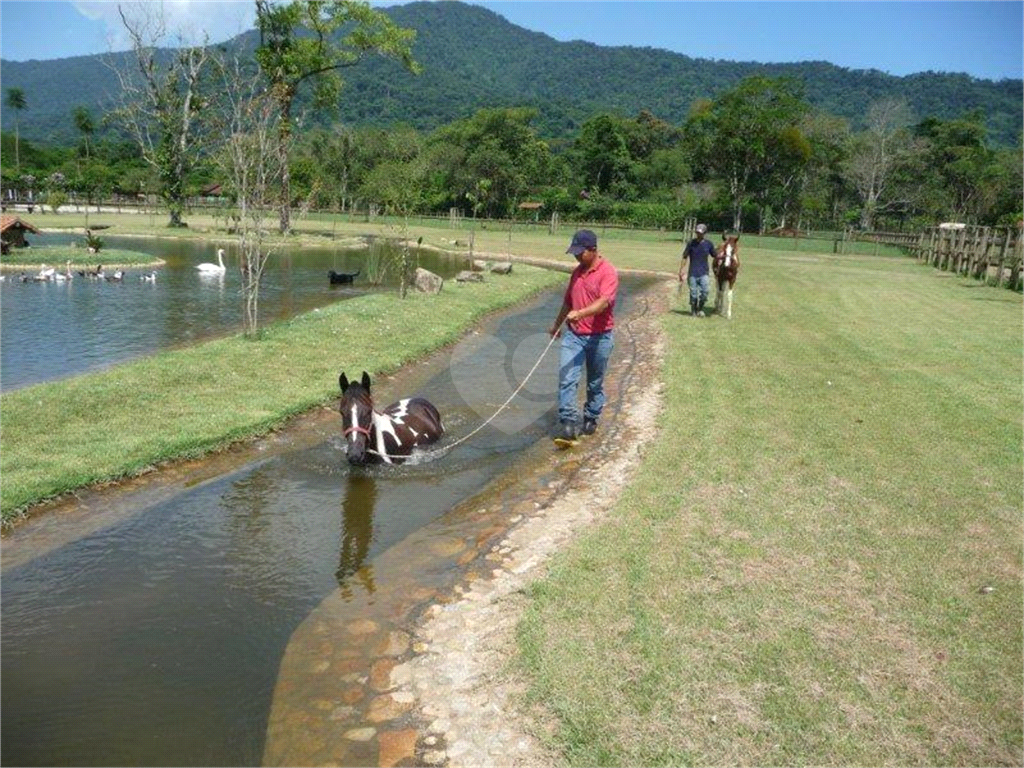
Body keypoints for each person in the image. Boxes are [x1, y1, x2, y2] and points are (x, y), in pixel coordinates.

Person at [548, 229, 619, 441]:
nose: (577, 257)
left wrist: (581, 313)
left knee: (595, 382)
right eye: (575, 253)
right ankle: (568, 422)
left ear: (593, 250)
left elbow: (603, 302)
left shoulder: (608, 272)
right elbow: (568, 302)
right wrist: (556, 325)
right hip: (574, 336)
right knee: (567, 378)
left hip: (600, 337)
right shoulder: (576, 273)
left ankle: (591, 416)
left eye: (580, 253)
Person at [679, 223, 716, 316]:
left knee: (705, 292)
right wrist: (681, 270)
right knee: (693, 294)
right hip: (693, 273)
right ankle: (693, 310)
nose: (698, 234)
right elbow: (685, 257)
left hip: (704, 273)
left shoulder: (709, 244)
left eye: (700, 233)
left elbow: (715, 256)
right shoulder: (691, 243)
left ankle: (700, 308)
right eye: (697, 232)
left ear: (704, 233)